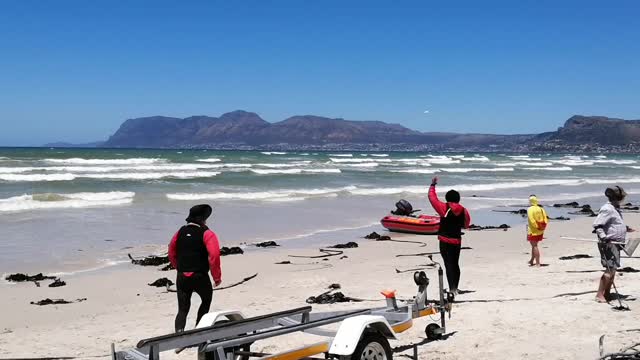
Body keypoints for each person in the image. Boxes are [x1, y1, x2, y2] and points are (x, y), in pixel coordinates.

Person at [168, 204, 222, 332]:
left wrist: (179, 268)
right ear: (204, 219)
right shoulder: (207, 233)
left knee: (182, 309)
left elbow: (171, 252)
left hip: (182, 276)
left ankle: (179, 334)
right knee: (206, 300)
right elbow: (214, 256)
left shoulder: (179, 232)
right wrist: (217, 277)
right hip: (200, 276)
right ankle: (199, 330)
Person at [429, 177, 471, 295]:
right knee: (455, 264)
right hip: (456, 241)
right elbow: (466, 224)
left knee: (448, 265)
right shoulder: (463, 210)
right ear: (458, 199)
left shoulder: (444, 207)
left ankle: (452, 289)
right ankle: (455, 288)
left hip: (444, 240)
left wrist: (432, 185)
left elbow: (432, 199)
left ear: (447, 199)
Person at [593, 186, 627, 303]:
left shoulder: (615, 208)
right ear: (617, 197)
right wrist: (604, 238)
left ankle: (607, 293)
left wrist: (625, 228)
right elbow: (598, 225)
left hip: (616, 244)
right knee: (609, 269)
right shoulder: (607, 209)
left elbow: (613, 224)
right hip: (608, 243)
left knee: (613, 270)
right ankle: (599, 295)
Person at [527, 195, 548, 267]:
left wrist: (536, 227)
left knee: (534, 245)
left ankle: (538, 263)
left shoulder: (530, 209)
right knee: (533, 245)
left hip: (533, 230)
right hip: (541, 229)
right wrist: (541, 227)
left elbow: (531, 219)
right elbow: (546, 219)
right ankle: (532, 260)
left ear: (530, 201)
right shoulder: (541, 208)